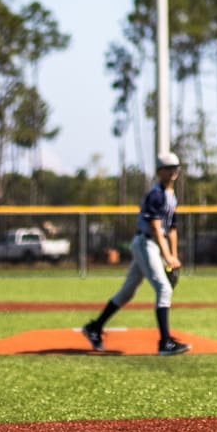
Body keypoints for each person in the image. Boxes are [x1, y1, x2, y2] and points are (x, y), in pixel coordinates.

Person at [83, 151, 189, 355]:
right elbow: (157, 228)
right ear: (159, 171)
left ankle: (95, 327)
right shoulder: (156, 194)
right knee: (164, 289)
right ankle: (165, 342)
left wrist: (173, 255)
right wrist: (167, 257)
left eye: (175, 167)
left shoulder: (171, 195)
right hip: (145, 243)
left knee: (128, 291)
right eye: (168, 168)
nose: (173, 171)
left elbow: (172, 227)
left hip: (155, 245)